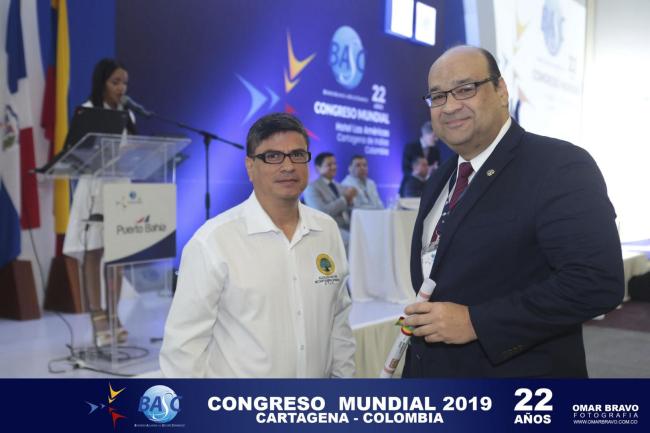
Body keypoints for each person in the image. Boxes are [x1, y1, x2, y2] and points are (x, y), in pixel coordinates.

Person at [402, 45, 624, 378]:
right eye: (438, 96)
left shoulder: (559, 166)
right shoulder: (439, 179)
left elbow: (596, 282)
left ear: (502, 91)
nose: (449, 106)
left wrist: (477, 323)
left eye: (465, 89)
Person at [160, 113, 355, 378]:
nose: (288, 166)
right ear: (250, 166)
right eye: (273, 156)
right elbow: (183, 350)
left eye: (298, 155)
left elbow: (339, 320)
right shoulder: (213, 241)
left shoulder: (326, 229)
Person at [63, 58, 135, 347]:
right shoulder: (87, 111)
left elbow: (135, 152)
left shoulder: (128, 115)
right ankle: (98, 315)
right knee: (94, 251)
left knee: (117, 254)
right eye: (115, 82)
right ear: (102, 83)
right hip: (95, 188)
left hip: (120, 190)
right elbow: (75, 152)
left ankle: (115, 314)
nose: (121, 88)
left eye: (124, 83)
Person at [303, 152, 357, 246]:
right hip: (325, 229)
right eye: (329, 165)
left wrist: (351, 201)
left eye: (335, 164)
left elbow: (347, 208)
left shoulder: (339, 186)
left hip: (346, 226)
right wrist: (345, 199)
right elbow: (321, 213)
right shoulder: (311, 188)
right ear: (318, 168)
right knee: (353, 241)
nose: (334, 167)